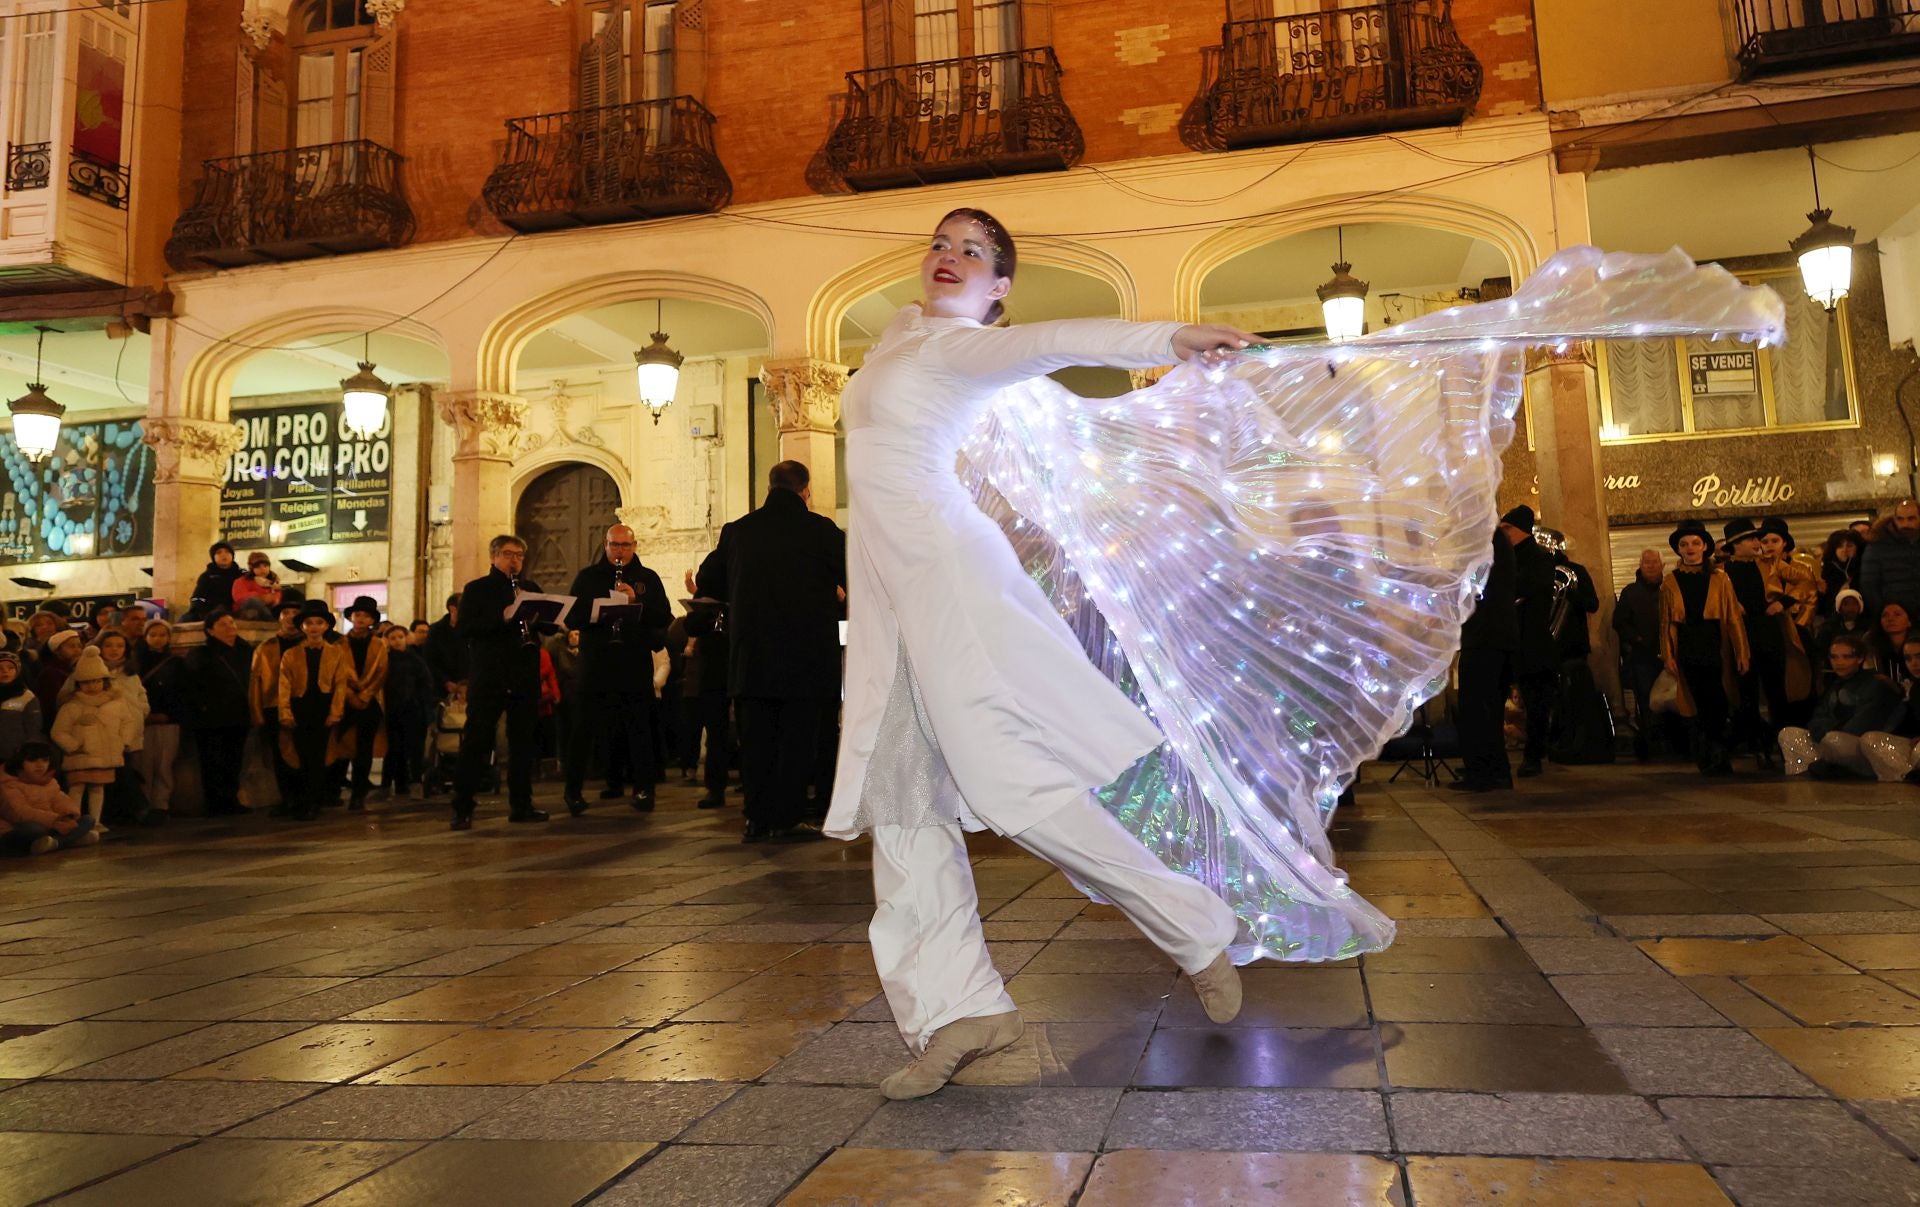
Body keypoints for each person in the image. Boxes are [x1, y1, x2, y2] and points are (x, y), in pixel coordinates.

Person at [825, 208, 1256, 1099]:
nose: (949, 257)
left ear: (998, 288)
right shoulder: (901, 337)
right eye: (941, 243)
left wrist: (1168, 335)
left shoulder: (962, 350)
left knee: (1009, 788)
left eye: (973, 252)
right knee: (902, 810)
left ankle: (1193, 928)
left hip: (950, 585)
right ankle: (958, 1010)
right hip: (889, 605)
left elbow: (1058, 340)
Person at [697, 462, 846, 841]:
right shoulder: (821, 531)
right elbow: (851, 575)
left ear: (770, 486)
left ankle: (756, 818)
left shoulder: (738, 531)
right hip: (807, 657)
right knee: (798, 742)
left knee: (756, 742)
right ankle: (787, 817)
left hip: (753, 657)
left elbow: (707, 579)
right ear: (805, 490)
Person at [562, 525, 670, 816]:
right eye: (614, 545)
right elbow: (573, 616)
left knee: (639, 728)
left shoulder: (647, 578)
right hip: (596, 662)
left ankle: (644, 789)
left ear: (635, 545)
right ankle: (572, 791)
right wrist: (600, 611)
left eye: (625, 545)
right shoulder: (588, 578)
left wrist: (637, 602)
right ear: (605, 544)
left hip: (632, 663)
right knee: (583, 728)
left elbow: (664, 617)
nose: (620, 550)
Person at [449, 535, 550, 830]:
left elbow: (546, 626)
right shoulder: (477, 589)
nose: (514, 560)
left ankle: (522, 805)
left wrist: (548, 616)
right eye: (508, 554)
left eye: (519, 555)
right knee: (477, 741)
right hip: (490, 676)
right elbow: (466, 629)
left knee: (522, 744)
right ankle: (462, 807)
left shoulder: (530, 589)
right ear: (493, 556)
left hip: (522, 675)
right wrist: (503, 617)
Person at [1660, 519, 1749, 776]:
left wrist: (1742, 652)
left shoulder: (1720, 578)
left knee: (1719, 701)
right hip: (1688, 644)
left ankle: (1717, 750)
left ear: (1705, 547)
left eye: (1695, 543)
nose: (1690, 548)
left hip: (1715, 643)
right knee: (1698, 702)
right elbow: (1666, 622)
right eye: (1684, 544)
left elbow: (1733, 617)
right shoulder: (1670, 581)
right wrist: (1668, 654)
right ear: (1678, 549)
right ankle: (1709, 754)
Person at [1723, 517, 1812, 767]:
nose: (1757, 542)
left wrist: (1782, 602)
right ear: (1736, 544)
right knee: (1747, 694)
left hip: (1769, 634)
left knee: (1777, 692)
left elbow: (1805, 579)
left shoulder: (1769, 564)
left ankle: (1784, 745)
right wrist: (1732, 606)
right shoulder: (1723, 571)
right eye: (1751, 538)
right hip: (1741, 639)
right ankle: (1757, 746)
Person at [1778, 633, 1904, 779]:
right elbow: (1818, 716)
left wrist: (1827, 731)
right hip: (1829, 739)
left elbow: (1862, 724)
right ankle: (1804, 780)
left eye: (1846, 657)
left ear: (1860, 659)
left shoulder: (1874, 683)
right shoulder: (1835, 684)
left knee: (1834, 739)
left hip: (1862, 747)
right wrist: (1822, 732)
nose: (1839, 662)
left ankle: (1830, 769)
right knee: (1789, 734)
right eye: (1834, 657)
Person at [1451, 529, 1516, 792]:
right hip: (1493, 639)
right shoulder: (1496, 541)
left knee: (1478, 708)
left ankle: (1484, 773)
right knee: (1487, 709)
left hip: (1485, 639)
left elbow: (1477, 589)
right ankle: (1493, 770)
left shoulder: (1488, 542)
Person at [1500, 505, 1557, 778]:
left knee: (1536, 703)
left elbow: (1529, 588)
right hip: (1509, 639)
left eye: (1507, 529)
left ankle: (1534, 755)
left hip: (1532, 642)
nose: (1503, 534)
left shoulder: (1539, 558)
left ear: (1521, 530)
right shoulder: (1506, 557)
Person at [277, 600, 348, 821]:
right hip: (301, 706)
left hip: (323, 706)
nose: (314, 627)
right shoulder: (291, 654)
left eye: (319, 622)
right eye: (309, 623)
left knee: (319, 756)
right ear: (302, 626)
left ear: (327, 626)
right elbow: (284, 684)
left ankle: (314, 801)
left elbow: (340, 684)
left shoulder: (336, 652)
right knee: (300, 756)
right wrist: (285, 712)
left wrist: (336, 711)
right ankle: (302, 800)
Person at [52, 647, 138, 828]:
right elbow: (58, 731)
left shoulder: (116, 704)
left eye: (96, 681)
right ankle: (74, 821)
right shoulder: (71, 707)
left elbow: (129, 722)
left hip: (104, 754)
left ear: (104, 682)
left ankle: (95, 821)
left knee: (98, 788)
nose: (92, 686)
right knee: (76, 788)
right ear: (78, 684)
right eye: (86, 683)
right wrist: (74, 745)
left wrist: (123, 741)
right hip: (80, 755)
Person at [185, 610, 254, 815]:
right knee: (212, 761)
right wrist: (202, 708)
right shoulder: (201, 653)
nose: (229, 627)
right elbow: (193, 685)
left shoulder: (245, 650)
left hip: (239, 715)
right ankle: (215, 802)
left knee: (235, 759)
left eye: (231, 623)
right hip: (211, 718)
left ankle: (231, 799)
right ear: (210, 630)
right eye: (222, 624)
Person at [329, 596, 388, 811]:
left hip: (369, 702)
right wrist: (351, 695)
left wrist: (365, 694)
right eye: (358, 614)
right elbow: (337, 673)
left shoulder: (379, 644)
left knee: (364, 749)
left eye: (366, 615)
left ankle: (358, 794)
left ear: (372, 619)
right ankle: (333, 789)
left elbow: (381, 671)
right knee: (340, 745)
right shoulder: (339, 644)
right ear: (351, 617)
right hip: (345, 701)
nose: (361, 618)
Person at [248, 598, 306, 813]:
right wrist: (257, 712)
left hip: (302, 705)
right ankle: (286, 798)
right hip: (273, 706)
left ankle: (305, 799)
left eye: (295, 612)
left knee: (303, 753)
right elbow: (256, 681)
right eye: (286, 612)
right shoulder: (266, 647)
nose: (290, 617)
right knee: (280, 756)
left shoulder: (308, 645)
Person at [680, 595, 733, 809]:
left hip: (747, 655)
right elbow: (691, 625)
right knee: (715, 730)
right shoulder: (712, 573)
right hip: (714, 666)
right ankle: (715, 788)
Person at [1613, 548, 1666, 761]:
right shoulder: (1630, 592)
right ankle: (1651, 744)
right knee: (1645, 701)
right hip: (1643, 656)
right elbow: (1620, 622)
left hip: (1669, 655)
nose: (1651, 565)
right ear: (1640, 565)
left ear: (1662, 565)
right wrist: (1637, 639)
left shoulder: (1669, 589)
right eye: (1647, 562)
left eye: (1655, 562)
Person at [0, 741, 96, 854]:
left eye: (45, 760)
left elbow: (61, 800)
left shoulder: (49, 781)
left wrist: (69, 815)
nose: (40, 765)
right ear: (20, 763)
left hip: (51, 825)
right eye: (32, 760)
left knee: (88, 820)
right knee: (33, 829)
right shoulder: (7, 783)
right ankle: (69, 840)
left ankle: (54, 843)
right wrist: (54, 820)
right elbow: (18, 813)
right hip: (13, 830)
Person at [136, 620, 184, 822]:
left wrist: (170, 714)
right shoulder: (136, 662)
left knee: (164, 765)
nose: (158, 639)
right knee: (143, 765)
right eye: (153, 634)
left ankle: (161, 805)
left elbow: (182, 692)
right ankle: (144, 804)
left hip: (168, 721)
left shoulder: (176, 663)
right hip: (143, 721)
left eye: (162, 635)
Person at [381, 623, 433, 800]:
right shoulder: (385, 659)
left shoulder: (415, 659)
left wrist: (425, 709)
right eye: (393, 638)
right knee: (394, 748)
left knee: (414, 748)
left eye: (400, 637)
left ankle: (415, 782)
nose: (397, 641)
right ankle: (390, 784)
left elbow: (425, 683)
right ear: (387, 640)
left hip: (413, 710)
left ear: (406, 638)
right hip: (392, 710)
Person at [1861, 637, 1920, 783]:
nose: (1914, 663)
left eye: (1919, 657)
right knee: (1870, 739)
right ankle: (1907, 775)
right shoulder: (1916, 689)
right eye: (1908, 658)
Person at [1862, 499, 1920, 620]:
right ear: (1894, 519)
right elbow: (1869, 584)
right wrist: (1884, 614)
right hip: (1895, 616)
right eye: (1900, 519)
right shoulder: (1878, 544)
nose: (1905, 524)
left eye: (1911, 518)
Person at [185, 541, 247, 622]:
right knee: (186, 619)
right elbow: (198, 597)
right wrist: (201, 609)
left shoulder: (242, 574)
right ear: (213, 557)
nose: (224, 555)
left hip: (236, 609)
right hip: (210, 610)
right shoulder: (207, 576)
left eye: (227, 552)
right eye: (219, 552)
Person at [31, 629, 81, 725]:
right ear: (57, 650)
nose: (77, 650)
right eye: (71, 646)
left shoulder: (73, 669)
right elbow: (50, 706)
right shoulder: (51, 673)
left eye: (79, 646)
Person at [424, 593, 470, 698]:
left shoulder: (470, 629)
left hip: (469, 686)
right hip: (442, 688)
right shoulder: (436, 631)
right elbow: (429, 660)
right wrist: (445, 681)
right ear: (453, 608)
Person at [0, 652, 42, 764]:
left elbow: (34, 728)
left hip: (15, 756)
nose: (5, 671)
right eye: (0, 668)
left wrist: (27, 753)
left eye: (10, 668)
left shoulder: (26, 697)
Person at [1818, 528, 1868, 616]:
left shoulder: (1865, 570)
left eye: (1849, 545)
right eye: (1840, 546)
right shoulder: (1827, 571)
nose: (1844, 549)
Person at [232, 552, 284, 620]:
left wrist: (274, 599)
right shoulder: (241, 581)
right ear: (252, 568)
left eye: (265, 566)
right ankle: (271, 621)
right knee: (252, 602)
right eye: (258, 566)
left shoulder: (273, 582)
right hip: (246, 609)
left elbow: (277, 597)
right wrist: (261, 597)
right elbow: (239, 597)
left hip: (269, 608)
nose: (262, 569)